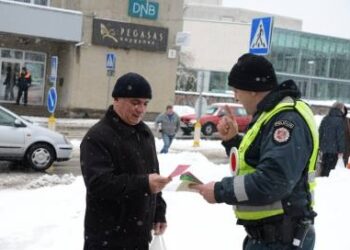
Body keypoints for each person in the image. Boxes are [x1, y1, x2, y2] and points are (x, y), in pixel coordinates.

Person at [190, 53, 318, 250]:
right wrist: (232, 140)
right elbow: (256, 161)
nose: (235, 96)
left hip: (280, 240)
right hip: (270, 237)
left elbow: (273, 181)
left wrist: (219, 191)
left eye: (236, 90)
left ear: (252, 90)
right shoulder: (271, 114)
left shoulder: (286, 120)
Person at [80, 72, 172, 250]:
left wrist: (159, 211)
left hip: (140, 237)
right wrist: (144, 183)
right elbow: (99, 184)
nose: (141, 109)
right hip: (107, 238)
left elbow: (153, 177)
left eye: (145, 103)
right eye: (135, 102)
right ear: (116, 100)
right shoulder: (97, 137)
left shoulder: (145, 134)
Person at [318, 102, 346, 176]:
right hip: (334, 150)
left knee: (324, 166)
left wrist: (319, 146)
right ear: (340, 109)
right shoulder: (340, 121)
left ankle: (322, 179)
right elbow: (340, 136)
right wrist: (341, 150)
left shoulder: (325, 118)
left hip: (324, 149)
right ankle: (325, 181)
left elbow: (320, 133)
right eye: (343, 108)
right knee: (330, 168)